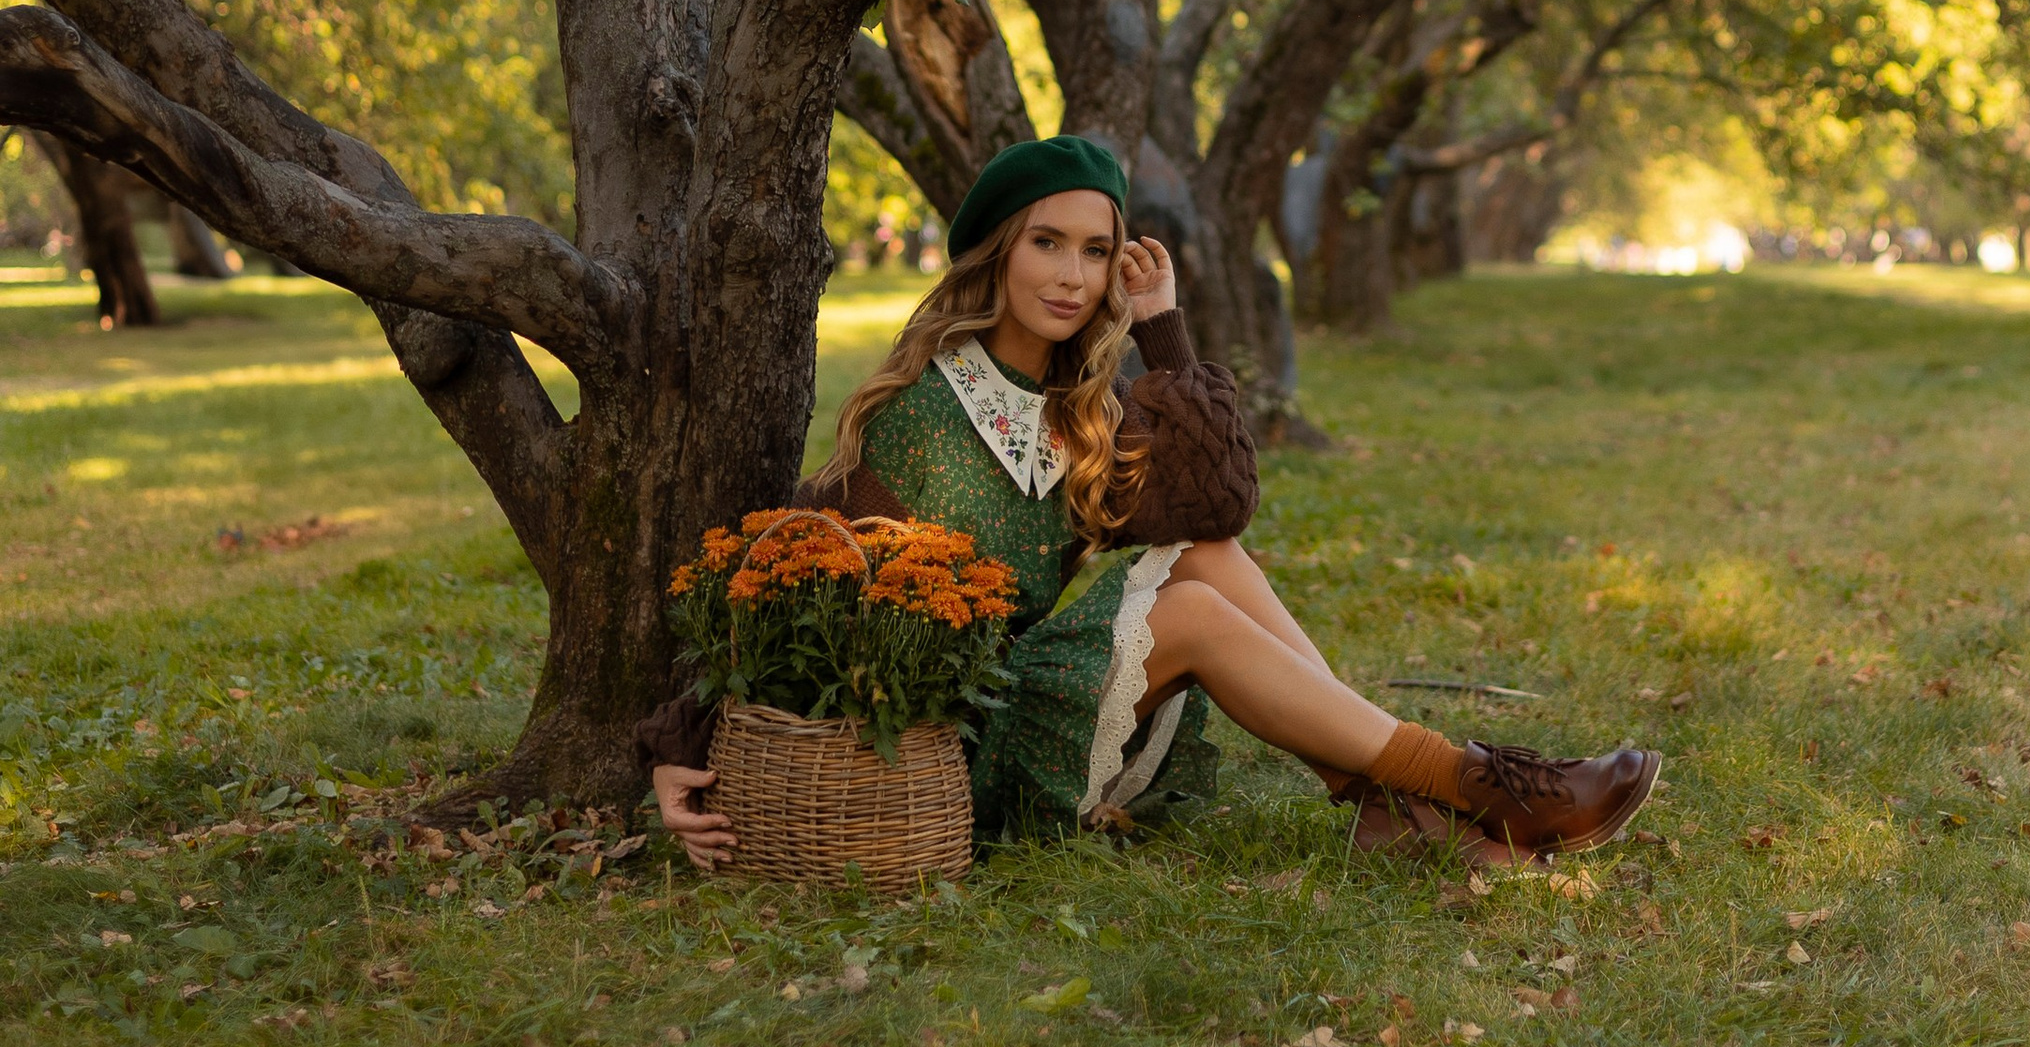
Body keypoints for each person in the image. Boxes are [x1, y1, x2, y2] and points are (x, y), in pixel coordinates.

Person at [639, 133, 1658, 869]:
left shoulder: (1083, 411)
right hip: (962, 764)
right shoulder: (920, 413)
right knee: (1190, 612)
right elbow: (796, 577)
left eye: (1096, 251)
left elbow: (1220, 509)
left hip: (1053, 712)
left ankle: (1392, 804)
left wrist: (1162, 328)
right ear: (997, 251)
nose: (1072, 276)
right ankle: (1479, 785)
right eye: (1046, 243)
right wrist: (682, 747)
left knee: (1205, 565)